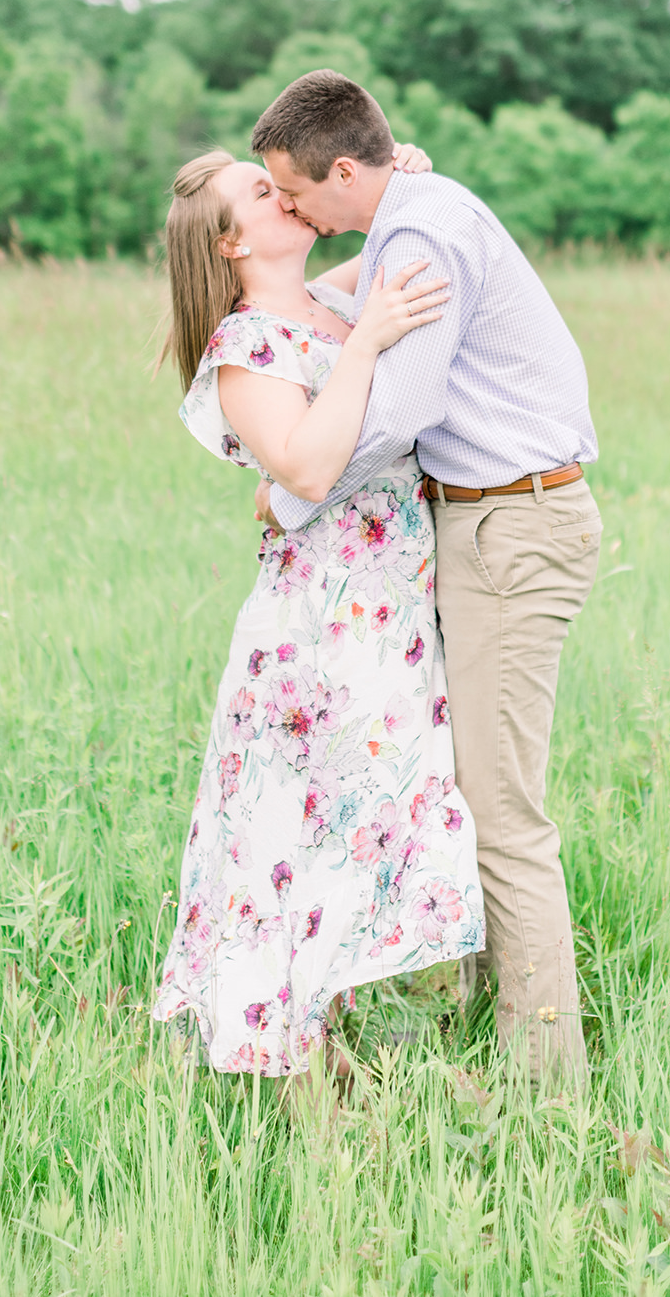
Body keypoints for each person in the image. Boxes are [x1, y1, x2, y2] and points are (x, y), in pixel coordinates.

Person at [250, 70, 602, 1084]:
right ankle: (482, 1033)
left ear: (346, 170)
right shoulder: (410, 217)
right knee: (467, 799)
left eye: (296, 193)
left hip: (511, 526)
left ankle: (546, 1090)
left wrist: (292, 496)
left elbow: (396, 413)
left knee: (502, 816)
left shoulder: (421, 236)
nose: (291, 211)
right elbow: (318, 308)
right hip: (488, 524)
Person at [152, 145, 485, 1079]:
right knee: (299, 844)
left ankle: (337, 1052)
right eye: (262, 193)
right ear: (229, 242)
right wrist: (370, 343)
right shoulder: (245, 347)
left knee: (371, 824)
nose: (283, 195)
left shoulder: (329, 306)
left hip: (387, 620)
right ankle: (299, 1084)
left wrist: (398, 174)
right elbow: (302, 467)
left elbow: (380, 236)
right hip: (315, 637)